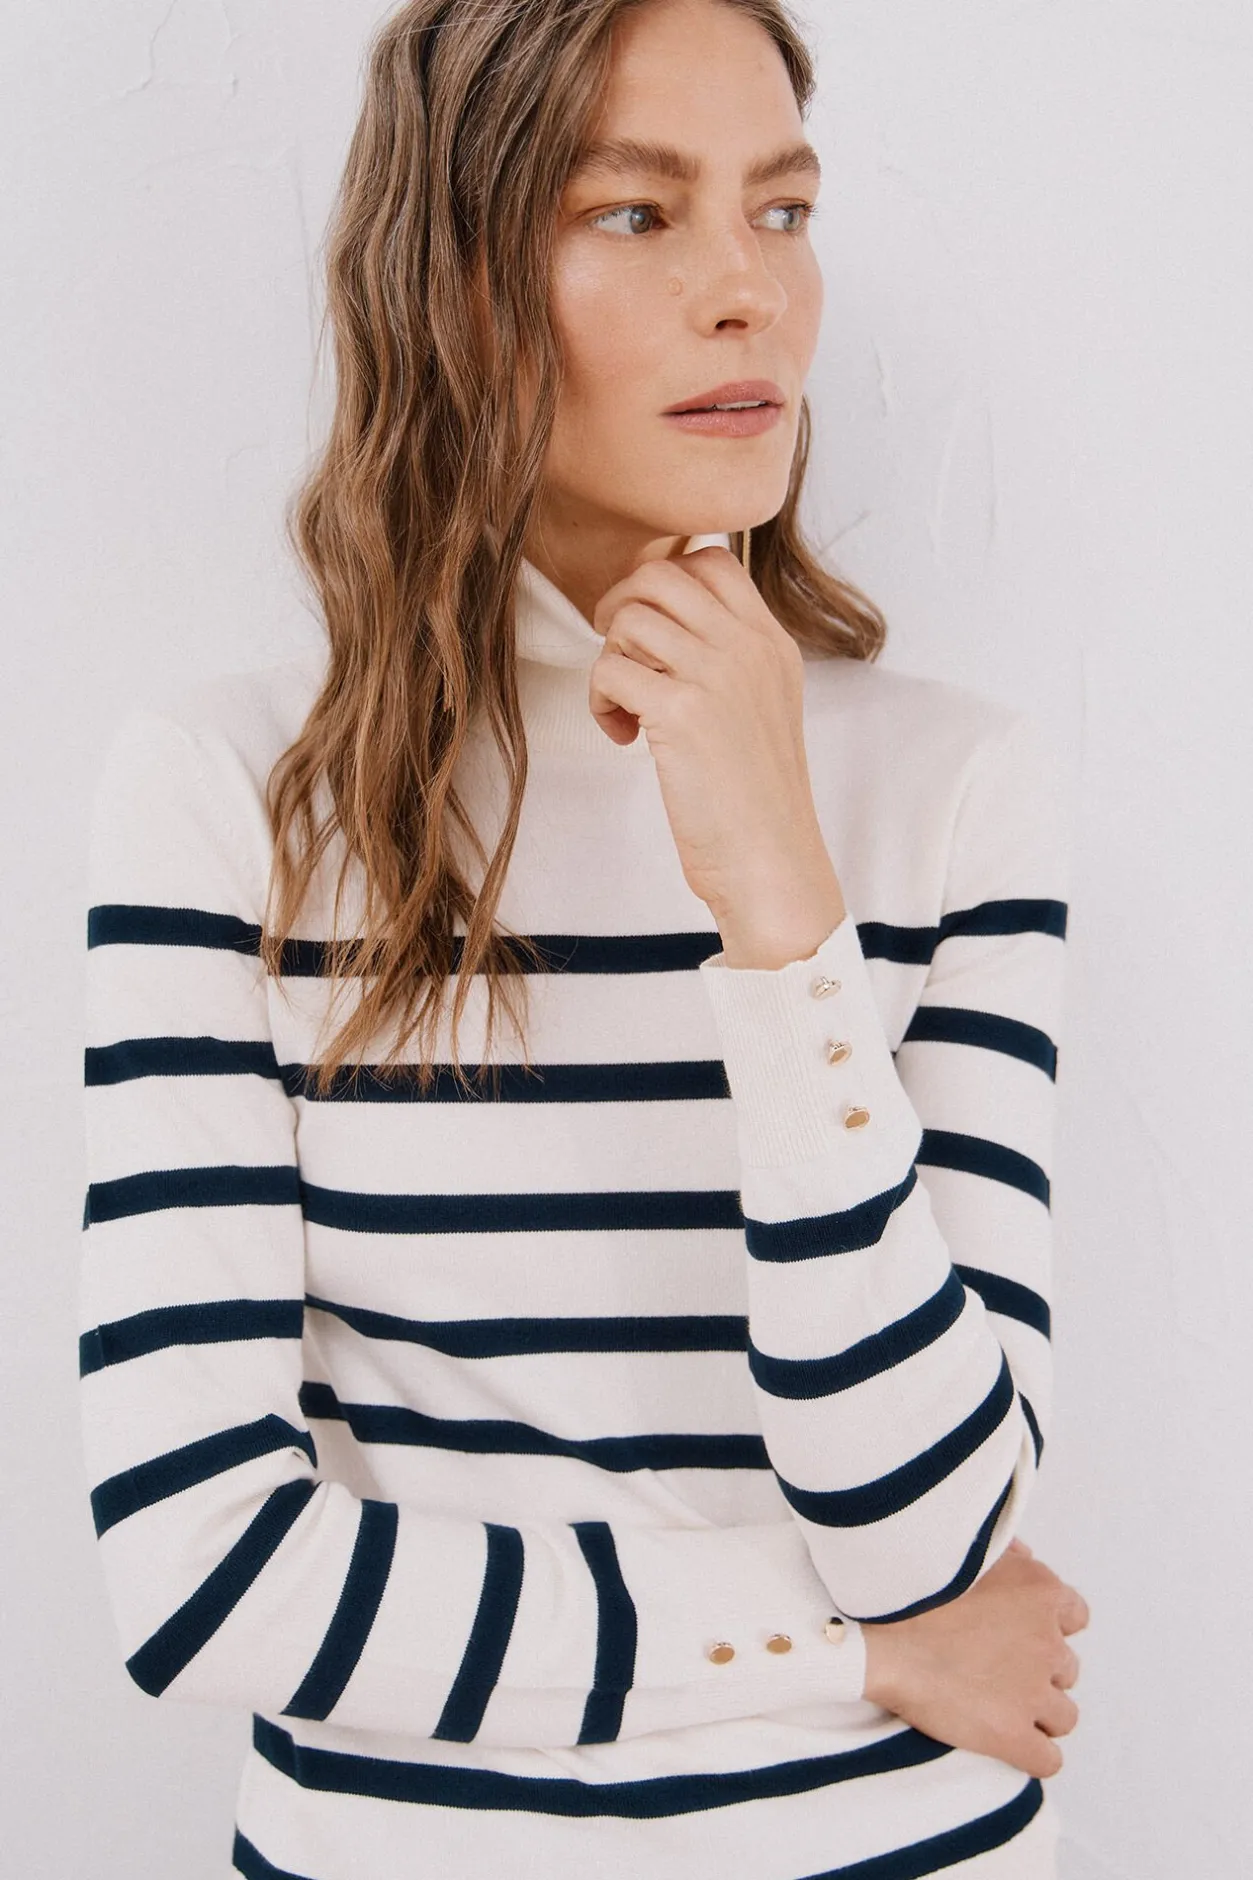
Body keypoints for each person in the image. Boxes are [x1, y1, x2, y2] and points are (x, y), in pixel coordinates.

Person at [78, 1, 1090, 1875]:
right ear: (453, 284)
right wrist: (857, 1653)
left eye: (782, 210)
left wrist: (784, 918)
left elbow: (932, 1528)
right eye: (636, 212)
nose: (750, 293)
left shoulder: (950, 787)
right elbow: (205, 1575)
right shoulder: (236, 795)